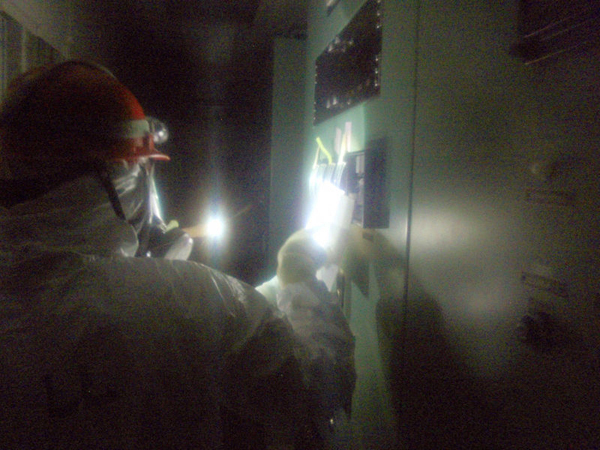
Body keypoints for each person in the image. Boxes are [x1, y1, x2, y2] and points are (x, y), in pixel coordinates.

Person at [0, 60, 315, 449]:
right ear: (123, 175)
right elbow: (305, 382)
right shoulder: (196, 297)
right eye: (146, 169)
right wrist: (297, 285)